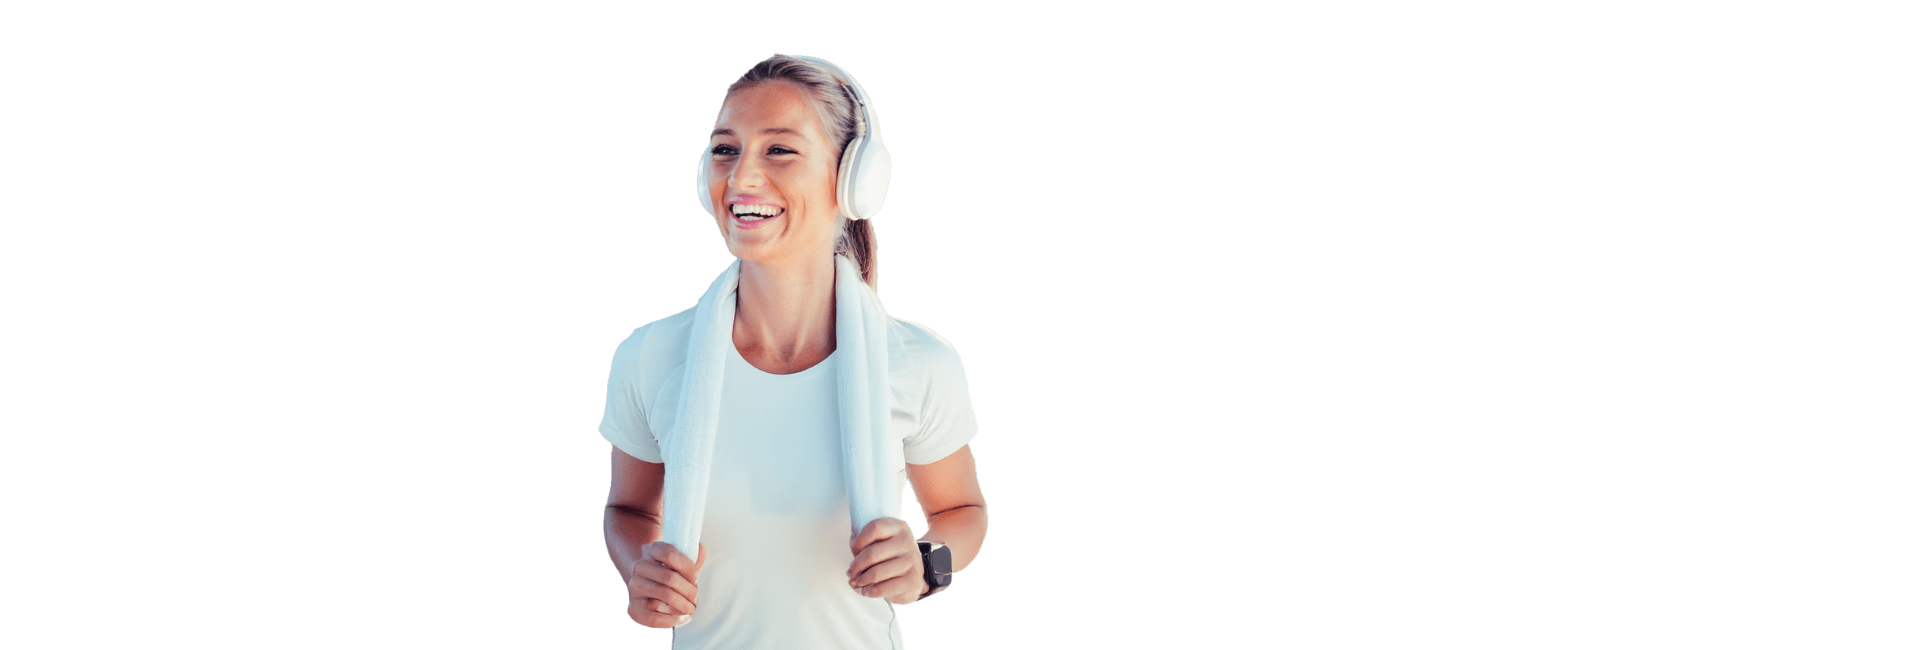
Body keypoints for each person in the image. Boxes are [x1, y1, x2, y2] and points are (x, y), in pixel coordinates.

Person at [597, 54, 989, 649]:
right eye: (725, 150)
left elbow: (963, 509)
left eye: (779, 150)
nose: (741, 176)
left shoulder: (917, 361)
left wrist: (926, 565)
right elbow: (627, 508)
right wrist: (640, 571)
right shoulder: (650, 356)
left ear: (854, 179)